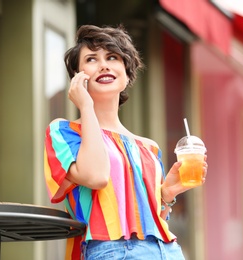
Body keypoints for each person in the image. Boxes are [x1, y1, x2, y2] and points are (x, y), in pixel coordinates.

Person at [44, 24, 208, 260]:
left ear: (128, 72)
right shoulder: (64, 132)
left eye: (112, 57)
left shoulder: (149, 147)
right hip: (111, 250)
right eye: (91, 59)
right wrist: (86, 106)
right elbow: (96, 176)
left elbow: (154, 218)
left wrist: (167, 194)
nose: (103, 65)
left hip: (167, 250)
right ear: (77, 77)